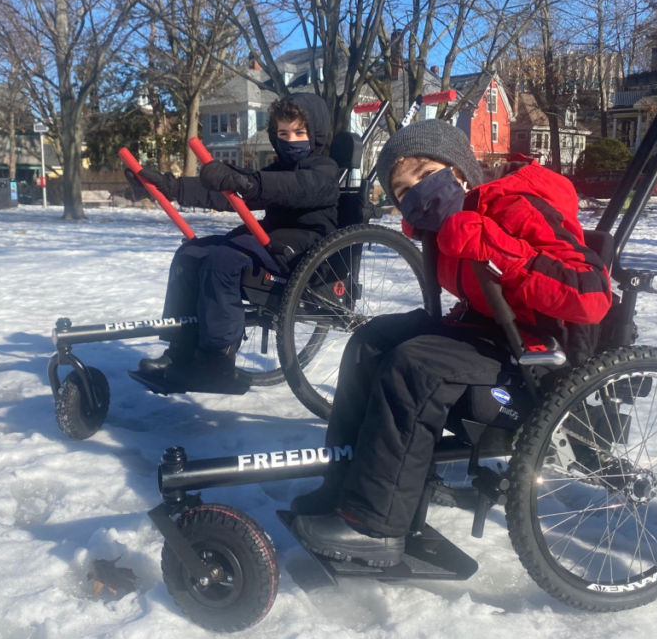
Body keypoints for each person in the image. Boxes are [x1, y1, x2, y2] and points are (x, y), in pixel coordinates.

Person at [289, 119, 613, 567]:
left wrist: (493, 248)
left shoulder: (514, 207)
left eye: (425, 174)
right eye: (404, 191)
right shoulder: (441, 227)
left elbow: (591, 295)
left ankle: (376, 526)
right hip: (487, 333)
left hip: (538, 356)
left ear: (460, 169)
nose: (418, 192)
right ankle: (343, 487)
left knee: (415, 366)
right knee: (371, 341)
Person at [128, 93, 339, 393]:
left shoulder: (325, 170)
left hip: (306, 250)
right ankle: (182, 348)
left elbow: (296, 188)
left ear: (315, 135)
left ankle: (217, 359)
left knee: (224, 261)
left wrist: (249, 183)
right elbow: (229, 194)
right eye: (282, 133)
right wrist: (170, 186)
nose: (290, 140)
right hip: (270, 240)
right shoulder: (276, 169)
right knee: (192, 253)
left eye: (299, 133)